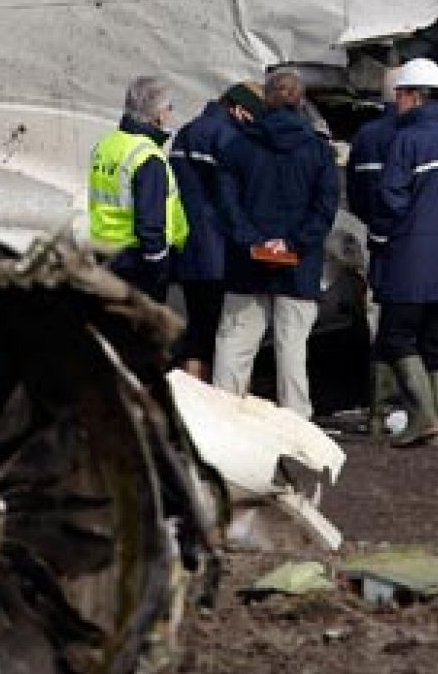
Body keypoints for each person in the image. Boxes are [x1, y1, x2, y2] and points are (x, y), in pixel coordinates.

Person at [211, 68, 340, 419]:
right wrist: (292, 245)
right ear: (300, 100)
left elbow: (226, 204)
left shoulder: (239, 147)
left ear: (265, 98)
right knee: (293, 350)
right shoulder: (318, 151)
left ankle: (223, 422)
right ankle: (296, 426)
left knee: (234, 346)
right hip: (299, 267)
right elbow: (324, 209)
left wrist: (254, 243)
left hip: (246, 264)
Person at [374, 58, 438, 447]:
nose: (396, 102)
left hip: (411, 255)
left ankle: (423, 416)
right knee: (436, 342)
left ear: (415, 97)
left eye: (400, 94)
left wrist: (384, 233)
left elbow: (390, 196)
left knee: (397, 336)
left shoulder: (407, 140)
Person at [167, 81, 265, 381]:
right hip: (218, 250)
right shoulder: (228, 137)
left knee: (197, 327)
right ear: (238, 109)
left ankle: (190, 396)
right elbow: (232, 196)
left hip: (186, 245)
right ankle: (207, 402)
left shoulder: (185, 132)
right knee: (215, 332)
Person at [88, 76, 189, 302]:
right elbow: (150, 223)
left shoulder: (105, 144)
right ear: (159, 113)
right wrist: (158, 265)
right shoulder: (147, 156)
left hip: (104, 251)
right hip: (137, 262)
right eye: (169, 108)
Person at [345, 67, 402, 432]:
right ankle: (424, 405)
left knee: (380, 323)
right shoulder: (433, 135)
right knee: (424, 326)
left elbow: (357, 193)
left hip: (378, 242)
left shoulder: (366, 137)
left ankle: (379, 408)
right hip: (421, 247)